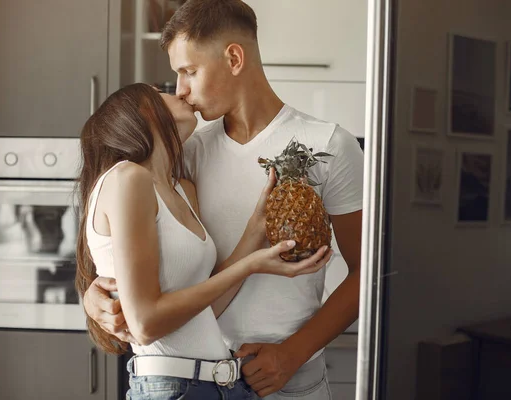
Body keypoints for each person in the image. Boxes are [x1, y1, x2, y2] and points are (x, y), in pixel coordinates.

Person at [84, 0, 364, 398]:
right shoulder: (188, 153)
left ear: (234, 58)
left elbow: (367, 274)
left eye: (189, 71)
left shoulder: (331, 145)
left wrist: (292, 354)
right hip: (200, 379)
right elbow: (130, 240)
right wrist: (93, 294)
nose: (181, 90)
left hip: (292, 381)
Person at [75, 83, 333, 399]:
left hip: (220, 384)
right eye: (164, 92)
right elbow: (144, 324)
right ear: (143, 111)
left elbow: (204, 308)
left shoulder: (183, 190)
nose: (181, 92)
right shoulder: (127, 177)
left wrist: (256, 229)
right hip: (173, 385)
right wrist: (250, 265)